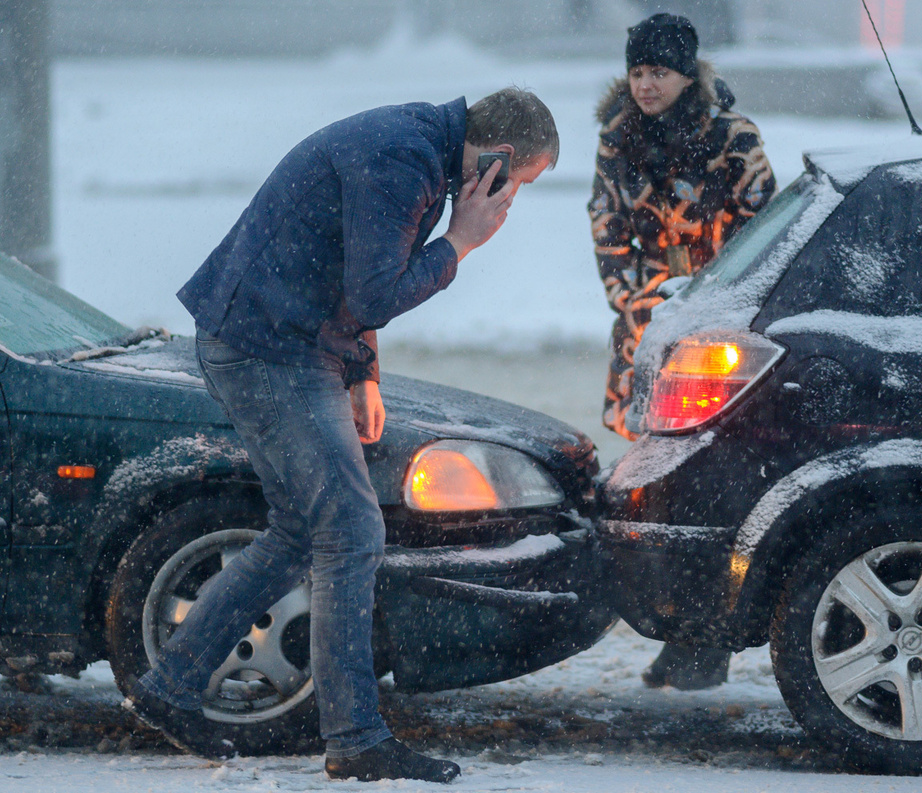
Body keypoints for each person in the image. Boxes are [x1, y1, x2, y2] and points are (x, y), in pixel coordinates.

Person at [122, 88, 558, 783]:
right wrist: (462, 240)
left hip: (278, 339)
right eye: (518, 187)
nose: (510, 204)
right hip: (269, 348)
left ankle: (171, 684)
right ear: (499, 160)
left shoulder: (421, 150)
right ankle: (355, 737)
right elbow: (377, 289)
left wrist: (363, 372)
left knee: (300, 531)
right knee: (352, 530)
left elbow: (353, 273)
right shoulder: (403, 160)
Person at [588, 13, 776, 690]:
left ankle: (710, 634)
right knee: (648, 488)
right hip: (647, 324)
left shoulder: (733, 137)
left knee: (709, 484)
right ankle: (674, 628)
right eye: (637, 71)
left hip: (719, 326)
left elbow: (765, 234)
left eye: (659, 71)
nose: (645, 84)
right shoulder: (617, 139)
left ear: (686, 73)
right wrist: (640, 301)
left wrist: (711, 304)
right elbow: (607, 230)